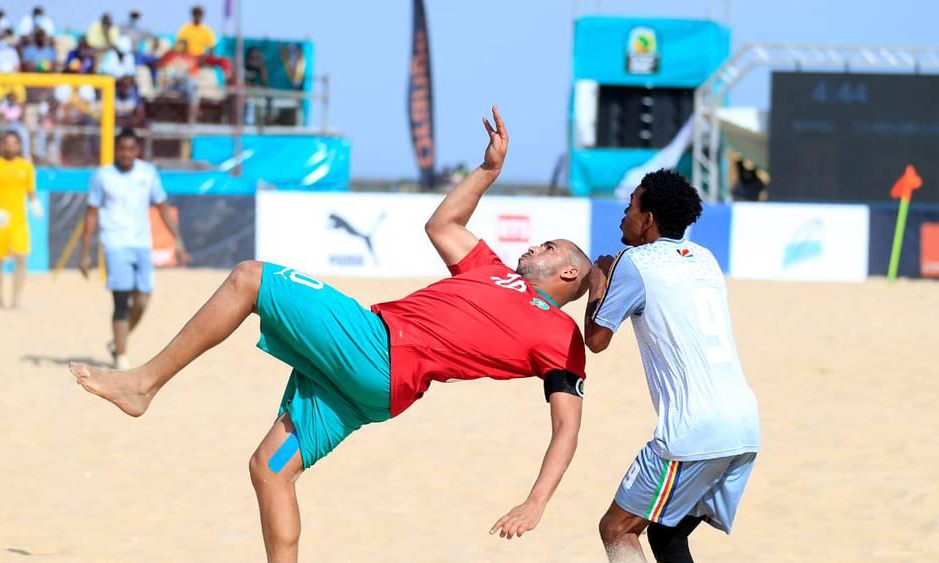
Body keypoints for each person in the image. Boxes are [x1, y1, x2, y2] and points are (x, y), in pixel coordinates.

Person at [69, 107, 592, 562]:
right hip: (376, 390)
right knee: (270, 470)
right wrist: (487, 170)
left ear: (568, 274)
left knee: (250, 277)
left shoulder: (558, 334)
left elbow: (566, 427)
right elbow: (442, 225)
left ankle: (142, 385)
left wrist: (537, 500)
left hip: (378, 348)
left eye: (547, 247)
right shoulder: (492, 270)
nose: (534, 248)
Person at [584, 169, 760, 562]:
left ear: (648, 220)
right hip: (744, 425)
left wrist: (598, 284)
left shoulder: (635, 262)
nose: (622, 216)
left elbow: (596, 341)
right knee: (665, 533)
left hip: (692, 431)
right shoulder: (706, 258)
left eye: (630, 208)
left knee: (616, 528)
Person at [78, 129, 188, 369]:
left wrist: (177, 239)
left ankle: (119, 341)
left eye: (131, 149)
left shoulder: (147, 173)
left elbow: (162, 206)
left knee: (143, 300)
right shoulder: (103, 176)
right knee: (120, 299)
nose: (126, 153)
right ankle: (121, 356)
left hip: (141, 243)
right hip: (115, 243)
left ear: (137, 150)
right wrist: (85, 252)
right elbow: (91, 214)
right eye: (122, 149)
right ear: (116, 150)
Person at [0, 131, 42, 308]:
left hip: (19, 221)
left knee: (21, 258)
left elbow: (31, 190)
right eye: (7, 143)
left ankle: (16, 301)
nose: (10, 147)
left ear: (19, 146)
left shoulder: (26, 167)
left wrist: (35, 203)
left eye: (13, 143)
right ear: (1, 146)